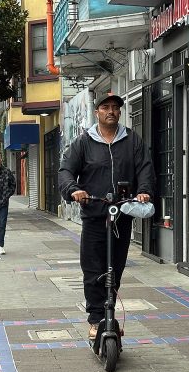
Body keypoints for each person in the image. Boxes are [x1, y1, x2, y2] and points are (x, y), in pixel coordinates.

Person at [58, 93, 154, 339]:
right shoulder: (83, 142)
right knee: (93, 271)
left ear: (120, 112)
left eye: (115, 108)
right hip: (94, 216)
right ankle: (96, 319)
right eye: (105, 107)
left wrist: (143, 191)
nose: (111, 111)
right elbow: (66, 170)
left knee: (115, 269)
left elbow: (145, 169)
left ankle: (108, 316)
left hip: (122, 216)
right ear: (97, 112)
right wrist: (74, 190)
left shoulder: (132, 140)